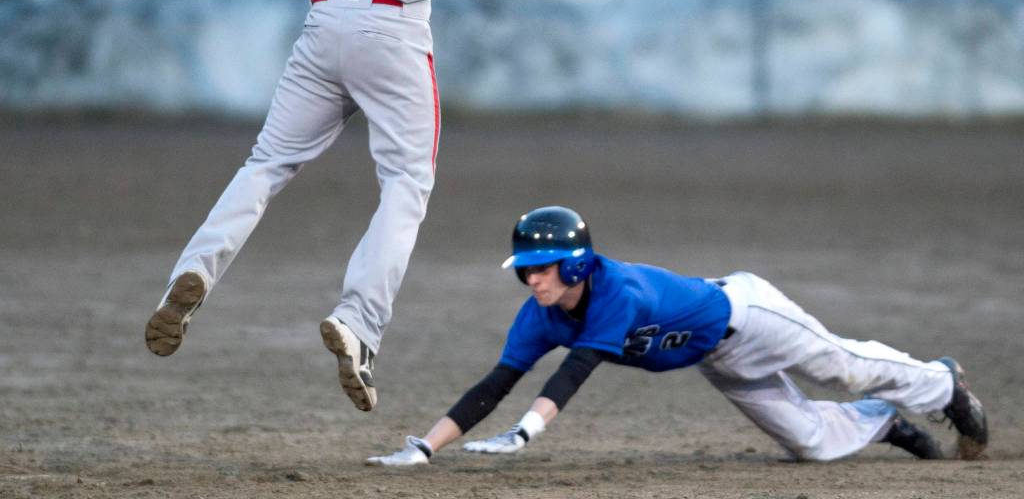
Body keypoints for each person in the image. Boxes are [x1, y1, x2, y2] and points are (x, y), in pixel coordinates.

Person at [365, 206, 989, 465]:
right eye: (525, 269)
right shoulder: (542, 313)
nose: (532, 279)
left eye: (543, 267)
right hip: (714, 355)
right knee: (810, 444)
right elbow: (495, 383)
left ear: (577, 264)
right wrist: (425, 449)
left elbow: (574, 372)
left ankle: (943, 383)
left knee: (844, 367)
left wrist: (528, 431)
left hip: (749, 316)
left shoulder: (616, 292)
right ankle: (882, 422)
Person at [144, 0, 441, 413]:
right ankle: (359, 323)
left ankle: (194, 269)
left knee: (265, 165)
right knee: (406, 184)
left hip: (323, 25)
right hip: (393, 28)